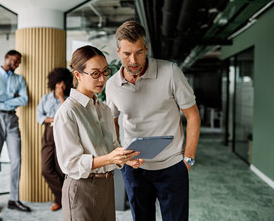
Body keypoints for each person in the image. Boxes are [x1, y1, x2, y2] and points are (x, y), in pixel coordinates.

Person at [106, 21, 201, 221]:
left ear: (146, 48)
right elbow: (111, 121)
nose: (133, 60)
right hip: (134, 170)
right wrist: (121, 159)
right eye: (126, 54)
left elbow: (193, 116)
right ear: (117, 51)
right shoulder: (112, 85)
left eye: (139, 52)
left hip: (172, 166)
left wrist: (188, 159)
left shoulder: (170, 72)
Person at [53, 45, 144, 221]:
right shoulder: (68, 112)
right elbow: (70, 163)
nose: (102, 79)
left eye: (105, 71)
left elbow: (113, 146)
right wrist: (110, 158)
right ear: (78, 75)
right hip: (81, 188)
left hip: (107, 185)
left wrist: (126, 157)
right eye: (95, 73)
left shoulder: (105, 110)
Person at [0, 50, 31, 213]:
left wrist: (1, 97)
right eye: (15, 61)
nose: (17, 64)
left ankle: (14, 199)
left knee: (16, 160)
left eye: (19, 62)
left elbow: (24, 99)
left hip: (12, 119)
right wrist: (12, 96)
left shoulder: (19, 79)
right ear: (7, 58)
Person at [36, 67, 73, 211]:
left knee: (61, 168)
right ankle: (62, 197)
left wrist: (62, 98)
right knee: (46, 169)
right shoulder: (46, 98)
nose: (61, 87)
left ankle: (61, 200)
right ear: (54, 83)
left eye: (64, 85)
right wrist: (54, 118)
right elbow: (39, 116)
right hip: (49, 132)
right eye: (58, 84)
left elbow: (68, 116)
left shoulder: (69, 99)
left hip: (63, 133)